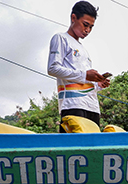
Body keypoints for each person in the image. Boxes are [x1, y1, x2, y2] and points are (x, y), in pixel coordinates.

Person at [48, 1, 110, 132]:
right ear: (73, 18)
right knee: (73, 150)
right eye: (85, 25)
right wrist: (85, 75)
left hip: (92, 107)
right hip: (73, 105)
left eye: (91, 27)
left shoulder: (84, 50)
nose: (87, 30)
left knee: (92, 149)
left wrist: (98, 84)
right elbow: (52, 68)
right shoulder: (61, 38)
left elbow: (83, 81)